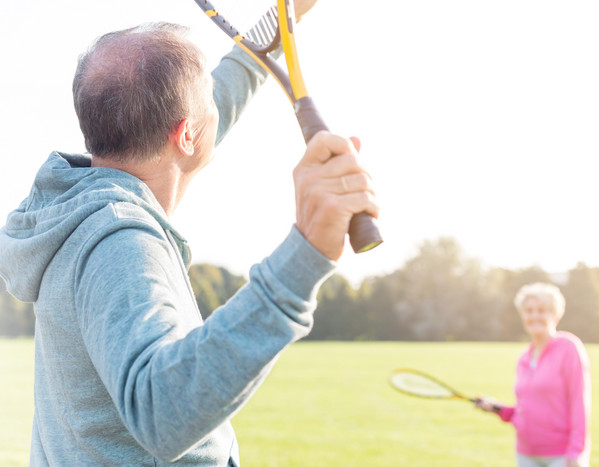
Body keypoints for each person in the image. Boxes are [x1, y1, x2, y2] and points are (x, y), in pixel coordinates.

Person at [0, 2, 379, 465]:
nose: (216, 98)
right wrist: (306, 255)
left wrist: (282, 16)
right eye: (206, 93)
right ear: (185, 136)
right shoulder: (119, 242)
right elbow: (162, 411)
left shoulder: (76, 208)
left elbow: (219, 95)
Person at [475, 283, 591, 467]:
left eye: (541, 310)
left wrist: (576, 452)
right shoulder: (524, 358)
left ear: (555, 314)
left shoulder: (569, 349)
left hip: (560, 456)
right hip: (526, 454)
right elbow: (525, 411)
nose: (534, 316)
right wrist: (498, 408)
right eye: (529, 311)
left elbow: (579, 404)